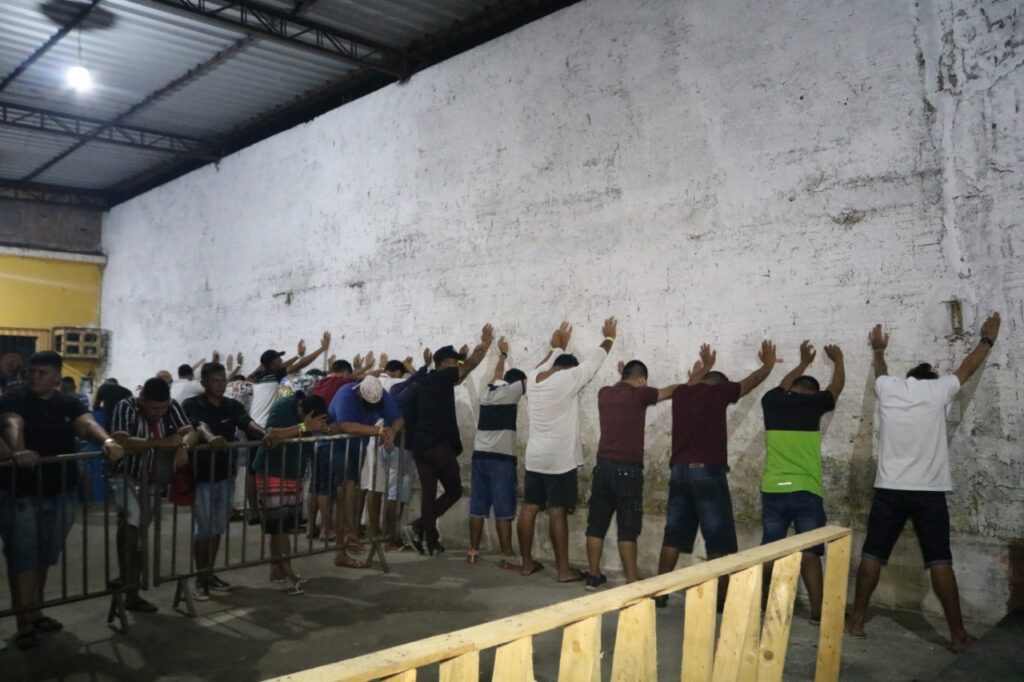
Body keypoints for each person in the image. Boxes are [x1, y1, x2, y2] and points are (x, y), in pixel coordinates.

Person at [846, 314, 1001, 653]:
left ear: (909, 378)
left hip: (890, 489)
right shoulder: (937, 389)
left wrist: (877, 349)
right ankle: (958, 636)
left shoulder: (889, 388)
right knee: (940, 560)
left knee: (873, 553)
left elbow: (880, 370)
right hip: (929, 492)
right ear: (931, 376)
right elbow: (967, 367)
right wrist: (987, 340)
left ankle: (856, 622)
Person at [0, 351, 124, 650]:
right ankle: (24, 623)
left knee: (44, 556)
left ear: (57, 376)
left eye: (41, 372)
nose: (34, 377)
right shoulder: (14, 398)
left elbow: (86, 424)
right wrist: (19, 451)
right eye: (31, 372)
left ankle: (36, 612)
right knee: (23, 559)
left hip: (60, 491)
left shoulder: (69, 402)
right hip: (21, 494)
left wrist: (107, 440)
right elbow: (12, 424)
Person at [655, 340, 778, 607]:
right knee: (719, 540)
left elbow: (691, 384)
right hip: (707, 473)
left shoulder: (682, 394)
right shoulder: (719, 392)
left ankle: (659, 595)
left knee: (673, 536)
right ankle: (721, 601)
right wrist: (767, 366)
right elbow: (749, 383)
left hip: (679, 473)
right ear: (721, 385)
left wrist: (703, 368)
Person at [584, 347, 712, 591]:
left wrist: (625, 377)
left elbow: (622, 387)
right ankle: (632, 581)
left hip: (602, 467)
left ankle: (593, 575)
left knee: (596, 525)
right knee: (628, 529)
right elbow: (675, 390)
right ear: (642, 380)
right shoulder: (640, 395)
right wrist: (701, 371)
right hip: (628, 470)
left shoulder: (604, 393)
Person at [519, 319, 616, 582]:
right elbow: (594, 362)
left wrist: (557, 346)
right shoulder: (568, 378)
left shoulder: (533, 378)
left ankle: (526, 563)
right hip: (559, 458)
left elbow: (544, 363)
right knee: (557, 511)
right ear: (569, 368)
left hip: (535, 456)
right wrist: (609, 338)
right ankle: (563, 570)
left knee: (528, 508)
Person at [759, 340, 845, 621]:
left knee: (770, 549)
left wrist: (803, 363)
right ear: (813, 393)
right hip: (806, 490)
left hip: (773, 488)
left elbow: (782, 386)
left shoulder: (771, 401)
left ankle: (762, 604)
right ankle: (818, 611)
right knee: (810, 550)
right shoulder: (815, 404)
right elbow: (836, 388)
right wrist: (839, 361)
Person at [108, 377, 198, 612]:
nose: (159, 413)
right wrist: (160, 443)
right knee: (131, 521)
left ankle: (132, 590)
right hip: (125, 475)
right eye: (154, 408)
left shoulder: (171, 406)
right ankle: (127, 579)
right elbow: (121, 440)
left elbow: (190, 433)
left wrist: (183, 447)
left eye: (163, 408)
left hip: (152, 481)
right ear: (142, 401)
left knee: (140, 534)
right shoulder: (126, 406)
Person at [182, 362, 266, 601]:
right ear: (204, 383)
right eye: (215, 380)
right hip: (202, 476)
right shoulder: (193, 404)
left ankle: (209, 573)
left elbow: (246, 422)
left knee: (218, 527)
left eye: (222, 380)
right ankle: (200, 578)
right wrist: (211, 438)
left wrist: (264, 434)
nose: (220, 384)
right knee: (203, 529)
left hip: (226, 475)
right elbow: (198, 425)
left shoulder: (232, 405)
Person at [408, 325, 494, 556]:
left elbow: (459, 376)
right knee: (454, 490)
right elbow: (470, 366)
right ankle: (420, 526)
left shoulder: (429, 380)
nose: (457, 365)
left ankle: (430, 540)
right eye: (453, 361)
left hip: (419, 446)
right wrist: (485, 344)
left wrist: (462, 359)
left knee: (428, 493)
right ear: (443, 363)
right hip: (437, 445)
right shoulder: (442, 376)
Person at [254, 393, 328, 594]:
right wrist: (304, 427)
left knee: (282, 526)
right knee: (279, 526)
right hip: (273, 470)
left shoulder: (312, 412)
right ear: (303, 411)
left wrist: (322, 428)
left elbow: (329, 428)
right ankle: (288, 574)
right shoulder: (282, 407)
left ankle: (277, 569)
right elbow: (271, 435)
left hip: (293, 472)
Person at [327, 375, 404, 568]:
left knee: (353, 490)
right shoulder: (346, 394)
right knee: (347, 489)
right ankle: (348, 534)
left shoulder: (380, 394)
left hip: (357, 448)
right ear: (360, 394)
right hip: (337, 447)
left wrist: (392, 431)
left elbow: (398, 419)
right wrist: (379, 431)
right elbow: (346, 425)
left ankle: (346, 541)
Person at [467, 337, 526, 567]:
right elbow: (534, 378)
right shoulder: (512, 392)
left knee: (477, 507)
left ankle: (473, 551)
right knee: (503, 509)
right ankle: (506, 553)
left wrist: (502, 355)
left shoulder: (486, 392)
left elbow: (496, 376)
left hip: (479, 456)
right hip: (502, 460)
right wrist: (555, 349)